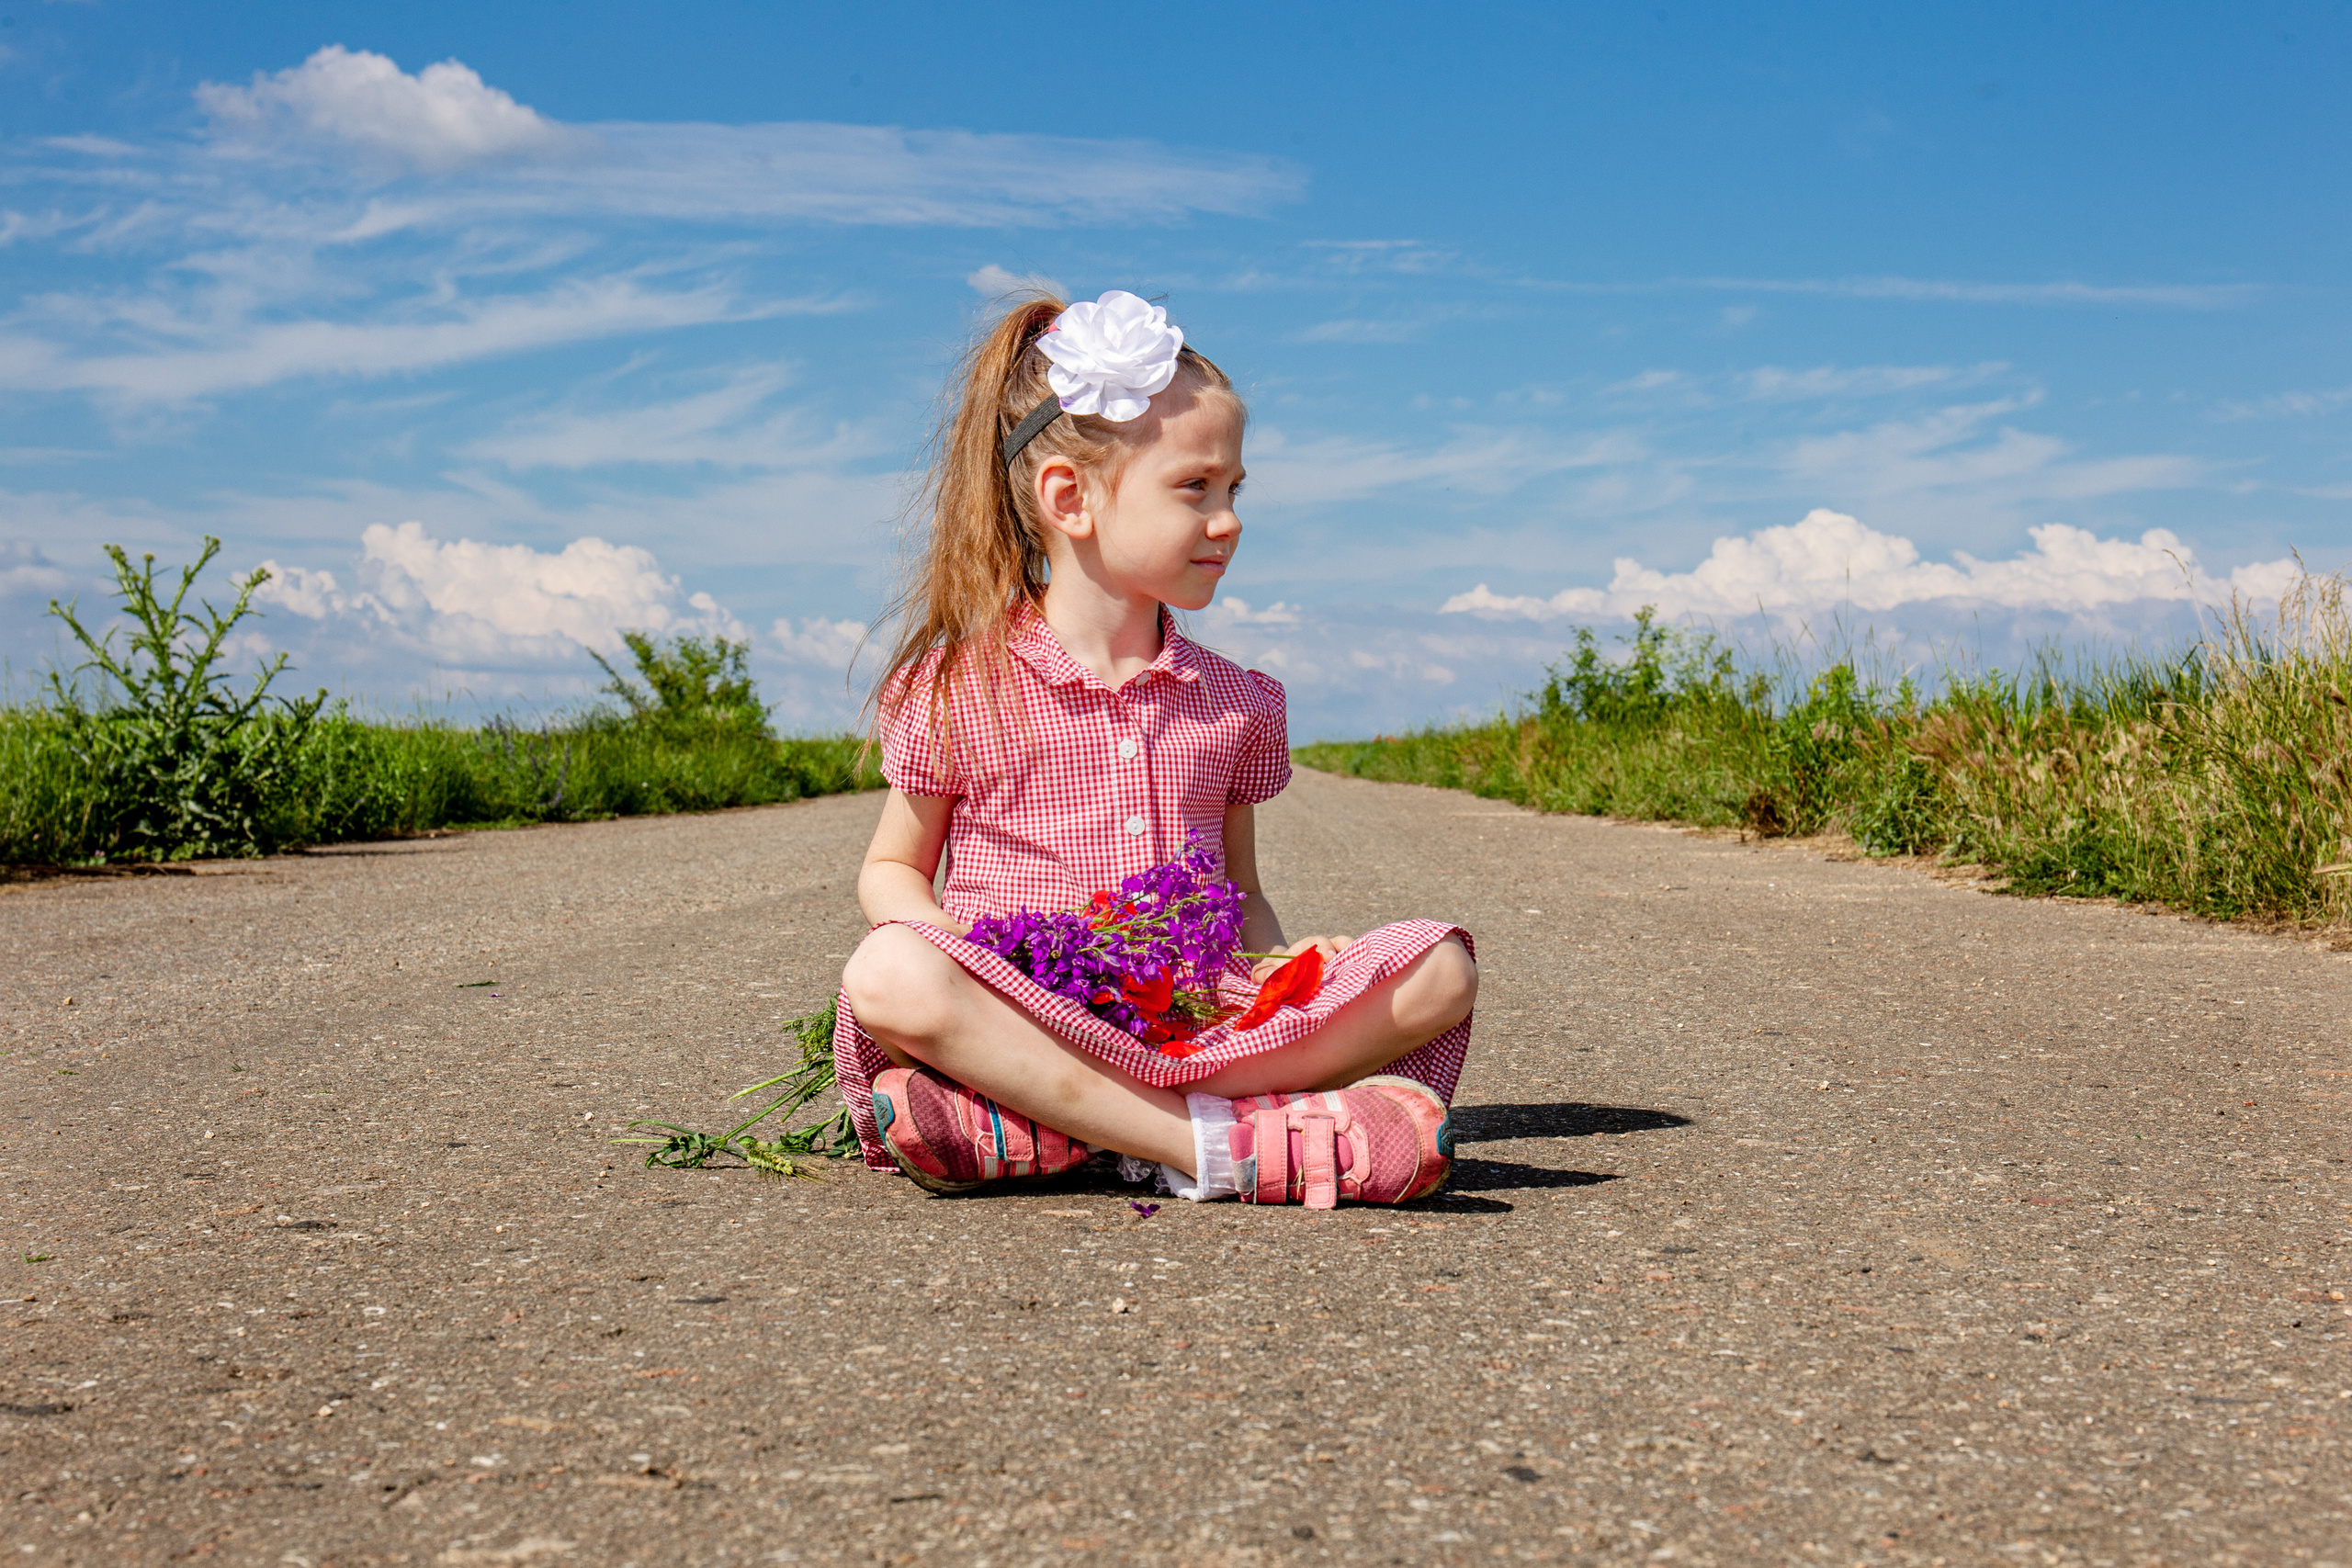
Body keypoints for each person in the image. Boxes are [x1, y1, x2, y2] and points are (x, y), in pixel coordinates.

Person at [833, 289, 1477, 1208]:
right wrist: (961, 959)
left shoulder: (1236, 703)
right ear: (1070, 498)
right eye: (1194, 487)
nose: (1229, 519)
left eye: (1233, 490)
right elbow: (893, 868)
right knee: (888, 972)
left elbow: (1242, 894)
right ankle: (1219, 1143)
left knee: (1439, 968)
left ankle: (1055, 1126)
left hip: (1195, 1021)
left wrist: (1276, 974)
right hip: (1027, 1011)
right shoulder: (962, 688)